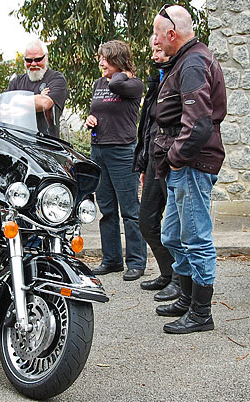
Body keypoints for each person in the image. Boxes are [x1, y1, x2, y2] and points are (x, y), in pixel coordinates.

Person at [152, 5, 226, 334]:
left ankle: (201, 312)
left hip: (192, 164)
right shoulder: (186, 59)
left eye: (156, 34)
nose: (153, 40)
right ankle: (185, 296)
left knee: (196, 239)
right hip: (182, 166)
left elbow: (198, 124)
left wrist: (174, 158)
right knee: (172, 234)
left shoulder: (194, 61)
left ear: (172, 34)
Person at [85, 40, 147, 281]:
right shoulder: (99, 83)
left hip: (122, 151)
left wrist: (121, 74)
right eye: (100, 57)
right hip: (98, 150)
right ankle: (112, 260)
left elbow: (119, 85)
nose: (101, 62)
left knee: (130, 210)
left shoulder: (133, 84)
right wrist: (91, 119)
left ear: (119, 60)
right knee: (107, 209)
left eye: (106, 58)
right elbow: (99, 110)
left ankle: (136, 262)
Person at [133, 37, 181, 302]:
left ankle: (178, 280)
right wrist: (143, 163)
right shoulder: (156, 82)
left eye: (160, 49)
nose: (156, 53)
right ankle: (167, 272)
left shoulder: (180, 76)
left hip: (172, 159)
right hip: (153, 160)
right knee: (147, 221)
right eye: (153, 49)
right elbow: (147, 128)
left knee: (175, 227)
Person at [7, 39, 68, 138]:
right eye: (29, 60)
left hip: (47, 144)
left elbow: (45, 103)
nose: (33, 64)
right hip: (19, 143)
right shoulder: (16, 82)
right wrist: (38, 98)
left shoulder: (56, 78)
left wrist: (15, 100)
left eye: (38, 59)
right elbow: (5, 108)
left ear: (46, 57)